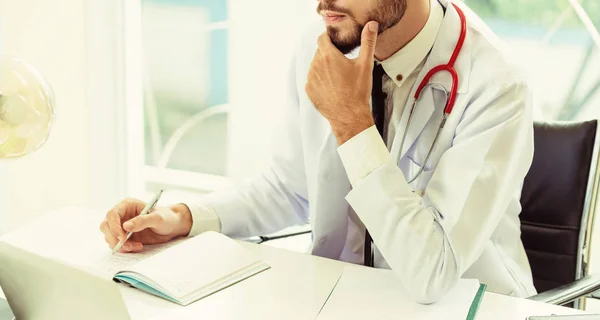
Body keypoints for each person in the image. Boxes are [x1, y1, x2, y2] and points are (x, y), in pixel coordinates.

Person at [100, 0, 537, 303]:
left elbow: (434, 273)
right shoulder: (327, 40)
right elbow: (288, 189)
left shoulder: (497, 85)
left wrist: (352, 124)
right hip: (343, 315)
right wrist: (184, 218)